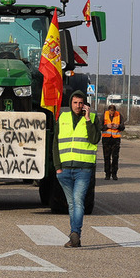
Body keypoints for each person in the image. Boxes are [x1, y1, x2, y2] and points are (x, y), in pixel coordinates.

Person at [54, 92, 101, 248]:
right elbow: (55, 143)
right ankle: (74, 235)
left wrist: (88, 119)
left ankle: (75, 233)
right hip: (65, 170)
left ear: (85, 104)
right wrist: (58, 167)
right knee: (72, 204)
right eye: (75, 102)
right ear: (71, 103)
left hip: (84, 169)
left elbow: (94, 139)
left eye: (81, 103)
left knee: (78, 202)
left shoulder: (93, 119)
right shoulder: (63, 118)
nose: (78, 106)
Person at [101, 103, 124, 180]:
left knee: (115, 157)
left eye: (113, 111)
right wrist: (107, 126)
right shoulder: (104, 115)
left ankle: (114, 174)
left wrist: (118, 126)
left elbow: (123, 127)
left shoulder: (119, 115)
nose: (112, 113)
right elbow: (100, 126)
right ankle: (107, 174)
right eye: (111, 111)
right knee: (106, 157)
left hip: (116, 139)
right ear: (108, 110)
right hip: (106, 139)